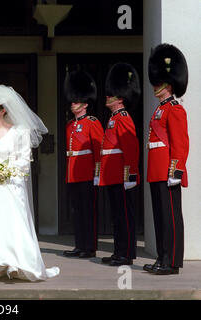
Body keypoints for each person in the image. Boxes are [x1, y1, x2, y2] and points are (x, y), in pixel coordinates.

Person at [0, 84, 60, 281]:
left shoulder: (19, 132)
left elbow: (24, 161)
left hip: (11, 184)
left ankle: (14, 262)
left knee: (11, 224)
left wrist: (6, 172)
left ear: (3, 110)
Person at [144, 43, 189, 275]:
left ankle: (172, 262)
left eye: (159, 82)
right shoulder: (160, 109)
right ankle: (162, 257)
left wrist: (176, 171)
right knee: (160, 217)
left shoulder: (175, 109)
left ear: (168, 84)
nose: (155, 86)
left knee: (171, 217)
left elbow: (180, 145)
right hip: (156, 169)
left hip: (168, 171)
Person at [97, 63, 141, 266]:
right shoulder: (113, 119)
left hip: (122, 176)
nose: (108, 96)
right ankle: (118, 251)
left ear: (120, 97)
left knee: (124, 216)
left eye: (111, 94)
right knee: (117, 216)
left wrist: (130, 174)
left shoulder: (123, 118)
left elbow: (131, 149)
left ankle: (127, 254)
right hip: (112, 175)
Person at [63, 71, 103, 259]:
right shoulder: (70, 125)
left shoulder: (92, 123)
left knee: (88, 211)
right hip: (73, 173)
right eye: (72, 100)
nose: (73, 103)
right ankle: (80, 245)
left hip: (87, 173)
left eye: (77, 101)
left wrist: (97, 173)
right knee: (77, 212)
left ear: (85, 103)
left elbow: (97, 150)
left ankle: (90, 246)